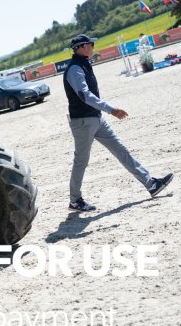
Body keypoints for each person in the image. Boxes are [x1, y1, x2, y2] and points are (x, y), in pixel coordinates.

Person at [64, 34, 173, 211]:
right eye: (91, 44)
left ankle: (151, 184)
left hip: (96, 118)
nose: (93, 47)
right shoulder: (75, 68)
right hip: (83, 122)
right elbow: (85, 95)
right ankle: (75, 200)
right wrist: (111, 109)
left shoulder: (83, 64)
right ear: (83, 47)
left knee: (121, 150)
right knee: (81, 161)